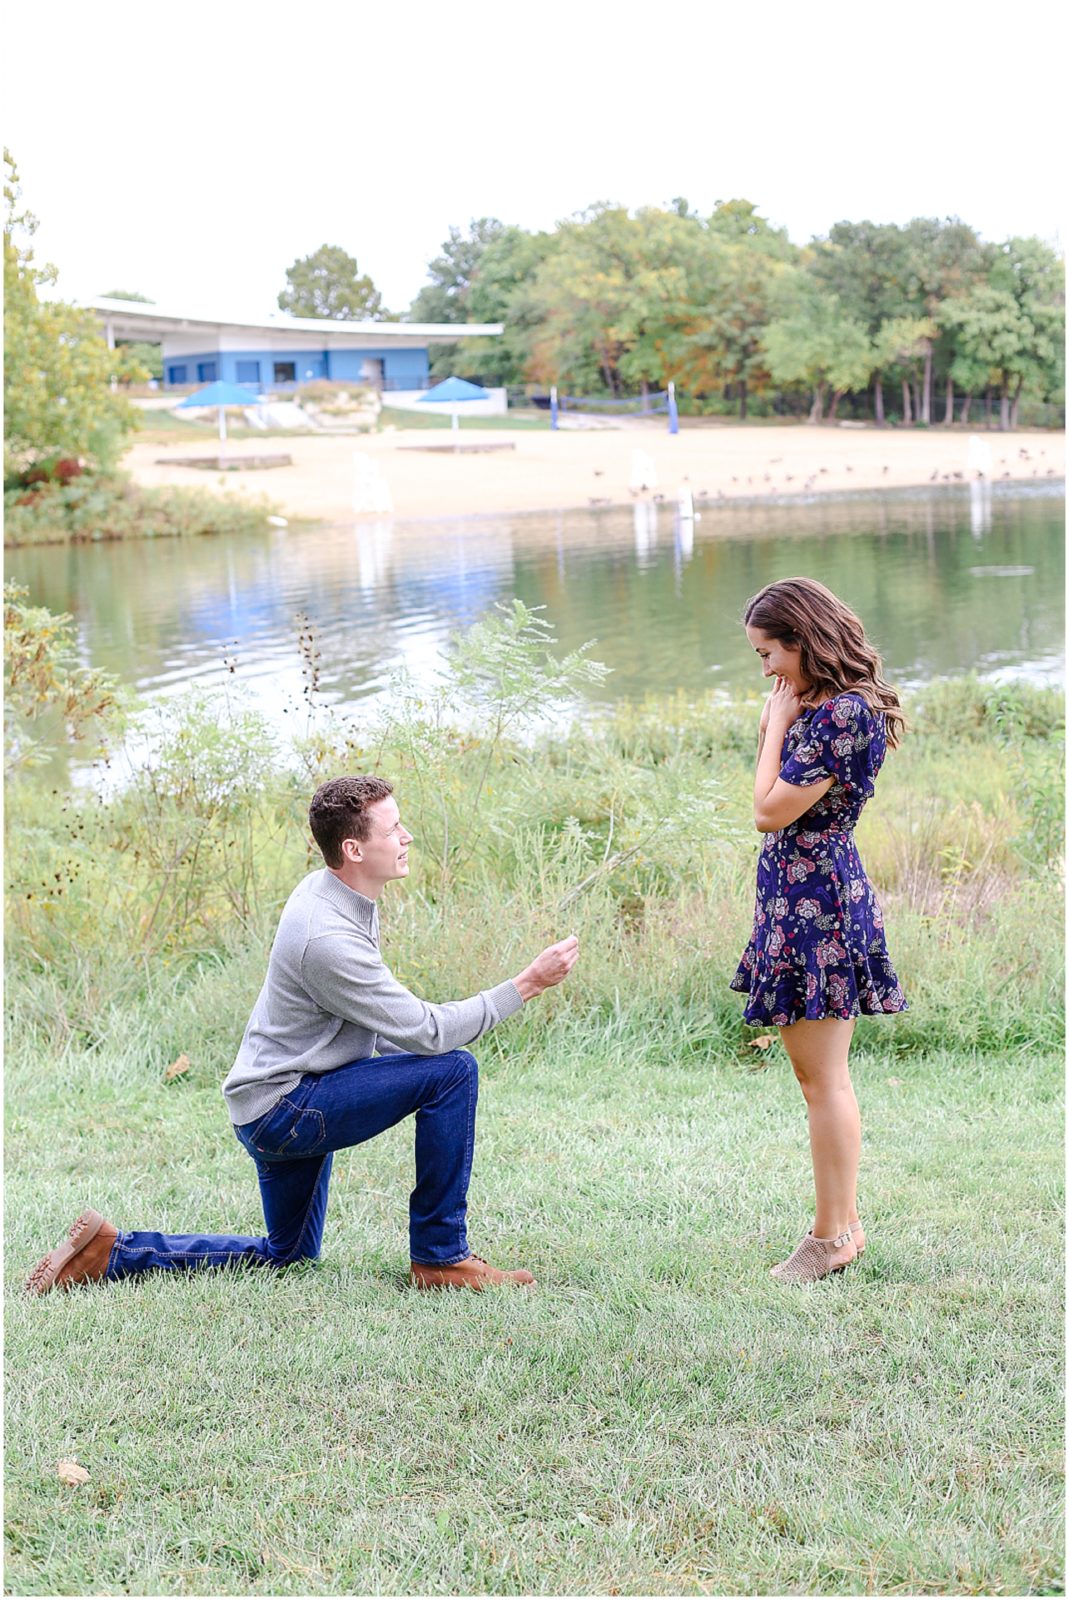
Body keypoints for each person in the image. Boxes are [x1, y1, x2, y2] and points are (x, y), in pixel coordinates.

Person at [27, 775, 579, 1296]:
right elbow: (429, 1033)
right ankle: (440, 1258)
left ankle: (109, 1254)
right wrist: (527, 984)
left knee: (287, 1256)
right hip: (287, 1108)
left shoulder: (334, 893)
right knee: (452, 1069)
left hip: (275, 1098)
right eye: (393, 829)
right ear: (355, 851)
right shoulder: (327, 936)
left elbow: (382, 1026)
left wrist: (396, 1066)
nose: (407, 836)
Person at [730, 578, 907, 1283]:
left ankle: (830, 1236)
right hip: (804, 892)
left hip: (817, 900)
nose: (766, 671)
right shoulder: (835, 707)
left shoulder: (840, 715)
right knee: (816, 1077)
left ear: (804, 641)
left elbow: (769, 810)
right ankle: (843, 1226)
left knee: (821, 1079)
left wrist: (773, 724)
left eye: (768, 653)